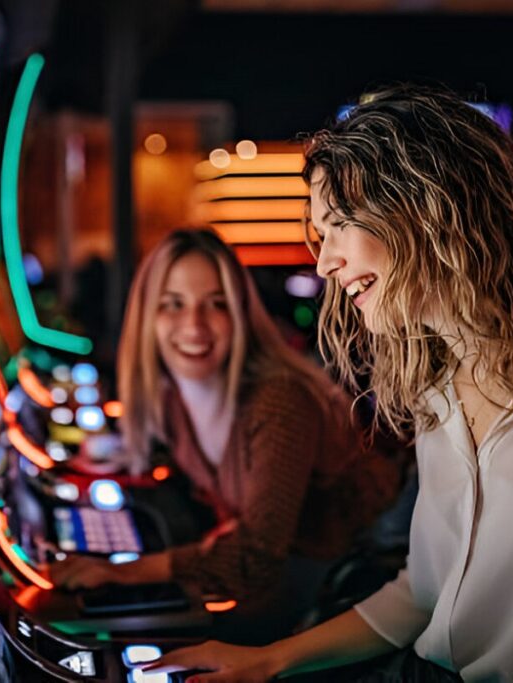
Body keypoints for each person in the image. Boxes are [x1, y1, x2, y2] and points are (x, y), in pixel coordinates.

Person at [148, 86, 513, 682]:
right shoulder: (437, 383)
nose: (323, 264)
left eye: (337, 226)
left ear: (427, 208)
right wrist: (270, 662)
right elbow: (423, 593)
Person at [49, 229, 400, 637]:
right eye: (173, 304)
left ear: (240, 313)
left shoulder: (279, 401)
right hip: (295, 573)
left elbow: (255, 557)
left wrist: (122, 572)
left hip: (352, 586)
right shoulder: (170, 402)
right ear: (148, 317)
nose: (193, 325)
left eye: (215, 304)